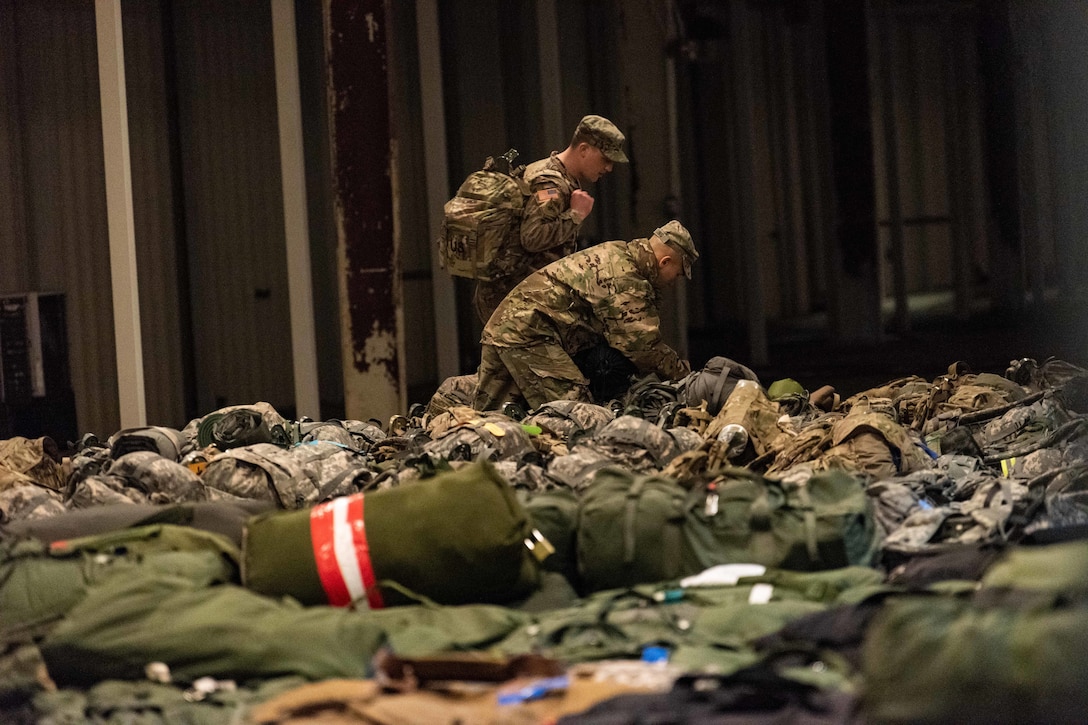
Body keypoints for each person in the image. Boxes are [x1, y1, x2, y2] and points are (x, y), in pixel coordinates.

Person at [473, 220, 698, 411]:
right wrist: (686, 378)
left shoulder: (619, 253)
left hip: (507, 327)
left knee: (491, 416)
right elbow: (642, 347)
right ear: (664, 262)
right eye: (677, 274)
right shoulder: (626, 277)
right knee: (576, 415)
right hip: (531, 334)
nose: (673, 282)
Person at [472, 114, 629, 323]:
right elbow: (532, 237)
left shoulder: (554, 175)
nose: (608, 168)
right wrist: (575, 216)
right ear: (584, 149)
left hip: (520, 298)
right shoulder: (550, 184)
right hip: (512, 300)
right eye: (605, 159)